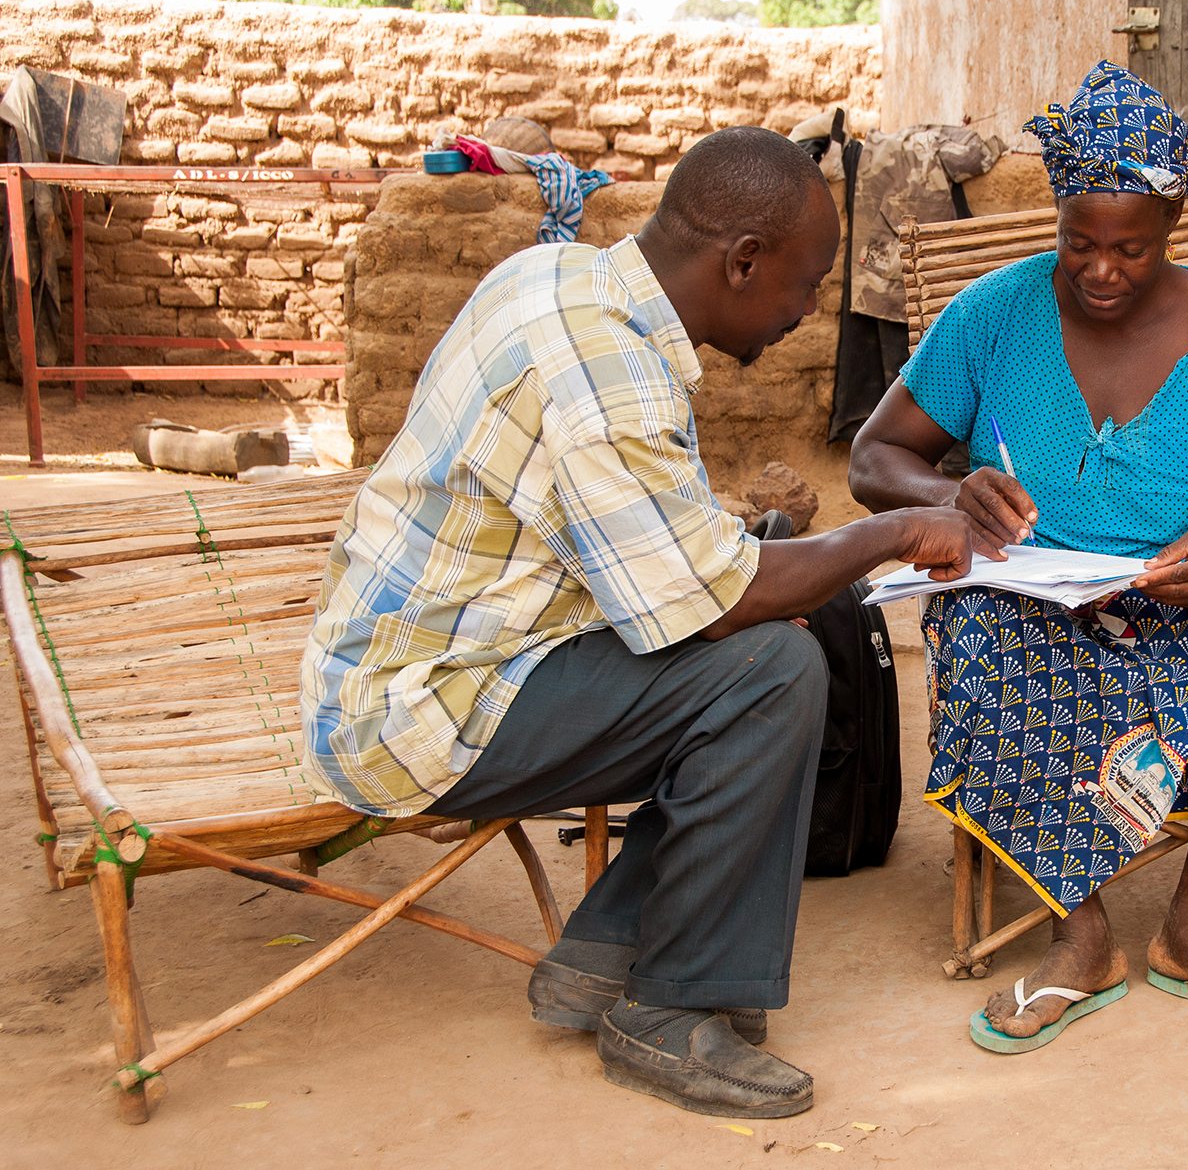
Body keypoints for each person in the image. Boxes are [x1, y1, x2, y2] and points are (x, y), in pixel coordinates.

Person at [300, 127, 980, 1118]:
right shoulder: (607, 375)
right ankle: (669, 1010)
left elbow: (670, 555)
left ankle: (604, 954)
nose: (807, 310)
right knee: (773, 672)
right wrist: (898, 532)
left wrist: (805, 543)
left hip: (443, 655)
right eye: (806, 281)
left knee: (767, 656)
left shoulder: (561, 278)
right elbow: (720, 602)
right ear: (742, 262)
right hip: (421, 709)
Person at [848, 62, 1188, 1051]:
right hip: (1038, 612)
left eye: (1129, 247)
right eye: (1078, 241)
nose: (1100, 268)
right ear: (1057, 222)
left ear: (1170, 229)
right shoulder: (993, 317)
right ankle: (1079, 935)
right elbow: (877, 457)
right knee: (972, 623)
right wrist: (946, 492)